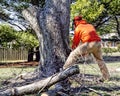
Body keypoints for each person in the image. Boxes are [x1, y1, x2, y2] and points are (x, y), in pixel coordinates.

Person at [63, 16, 110, 81]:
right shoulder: (90, 25)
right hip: (98, 43)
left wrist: (72, 49)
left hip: (89, 44)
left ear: (75, 22)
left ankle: (64, 71)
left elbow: (76, 41)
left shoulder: (78, 28)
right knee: (100, 60)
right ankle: (106, 77)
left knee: (73, 55)